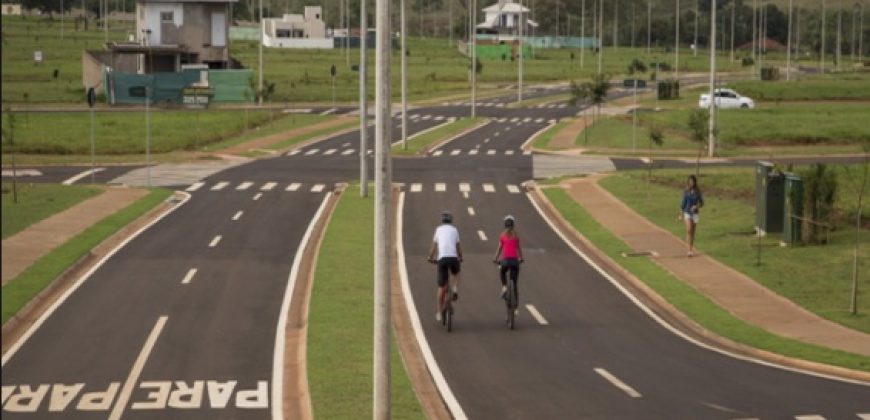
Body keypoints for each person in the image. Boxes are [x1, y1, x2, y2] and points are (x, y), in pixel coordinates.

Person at [428, 211, 462, 322]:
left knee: (441, 287)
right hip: (453, 258)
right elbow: (458, 247)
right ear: (451, 220)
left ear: (442, 220)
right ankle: (455, 287)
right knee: (456, 273)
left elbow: (434, 247)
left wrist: (430, 257)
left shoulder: (438, 230)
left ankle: (438, 312)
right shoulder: (455, 230)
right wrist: (460, 257)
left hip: (442, 259)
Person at [492, 215, 523, 311]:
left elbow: (499, 249)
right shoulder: (516, 236)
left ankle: (505, 287)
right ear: (513, 225)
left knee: (502, 271)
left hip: (505, 261)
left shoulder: (502, 235)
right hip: (514, 262)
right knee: (515, 283)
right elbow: (518, 249)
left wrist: (495, 258)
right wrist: (521, 258)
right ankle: (516, 304)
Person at [678, 174, 704, 257]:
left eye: (692, 182)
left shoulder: (697, 192)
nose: (691, 183)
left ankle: (691, 249)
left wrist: (696, 206)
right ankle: (688, 250)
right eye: (690, 182)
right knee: (689, 230)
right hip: (687, 212)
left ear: (695, 182)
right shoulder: (686, 191)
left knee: (692, 232)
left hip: (695, 213)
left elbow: (701, 203)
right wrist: (680, 214)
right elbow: (683, 204)